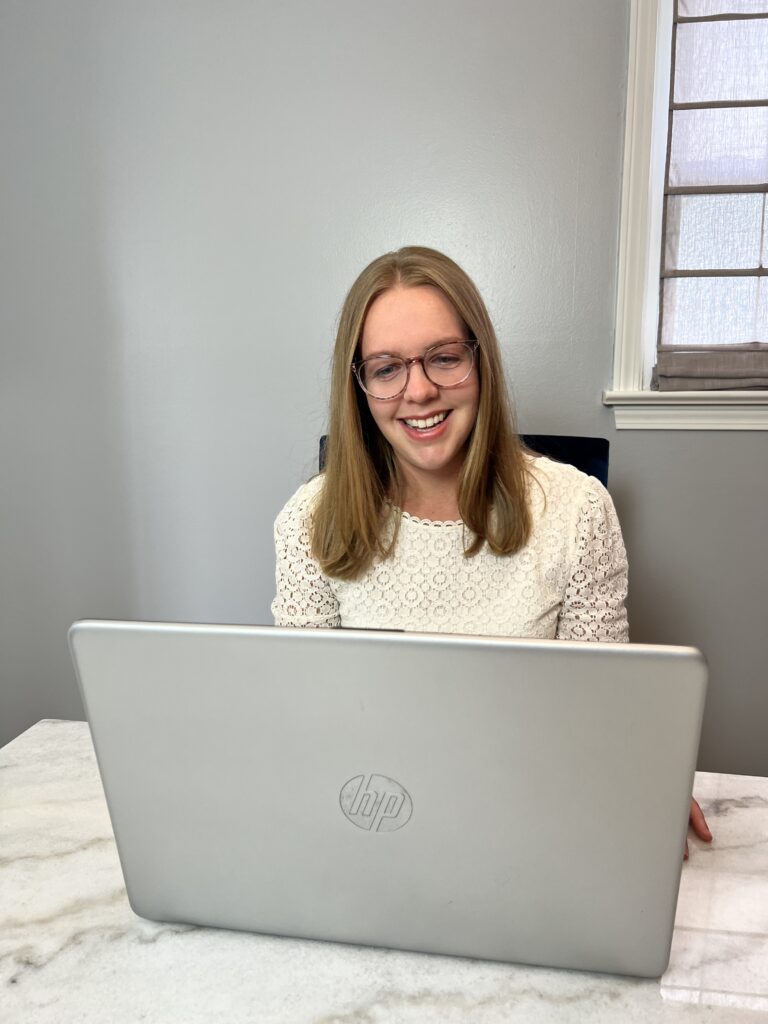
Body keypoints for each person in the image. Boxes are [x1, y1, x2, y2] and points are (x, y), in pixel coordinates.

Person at [271, 244, 710, 853]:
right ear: (359, 387)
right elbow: (305, 720)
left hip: (530, 818)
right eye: (386, 368)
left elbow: (599, 708)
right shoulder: (307, 521)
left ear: (479, 361)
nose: (418, 391)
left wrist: (641, 777)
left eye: (443, 358)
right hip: (373, 822)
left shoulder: (578, 510)